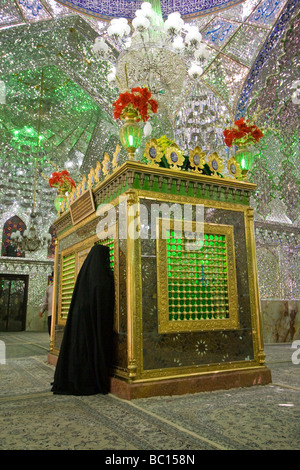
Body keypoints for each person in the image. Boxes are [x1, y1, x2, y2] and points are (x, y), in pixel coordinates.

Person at [51, 244, 114, 396]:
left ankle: (74, 378)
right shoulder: (101, 277)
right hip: (91, 323)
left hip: (79, 320)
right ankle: (87, 380)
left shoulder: (85, 275)